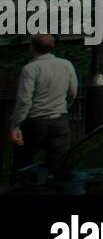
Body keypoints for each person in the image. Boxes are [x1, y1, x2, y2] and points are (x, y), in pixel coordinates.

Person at [9, 33, 78, 179]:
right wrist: (64, 106)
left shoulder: (30, 68)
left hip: (35, 122)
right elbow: (73, 91)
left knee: (23, 163)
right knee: (58, 165)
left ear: (32, 47)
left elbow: (24, 100)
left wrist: (16, 125)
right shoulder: (66, 65)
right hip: (60, 120)